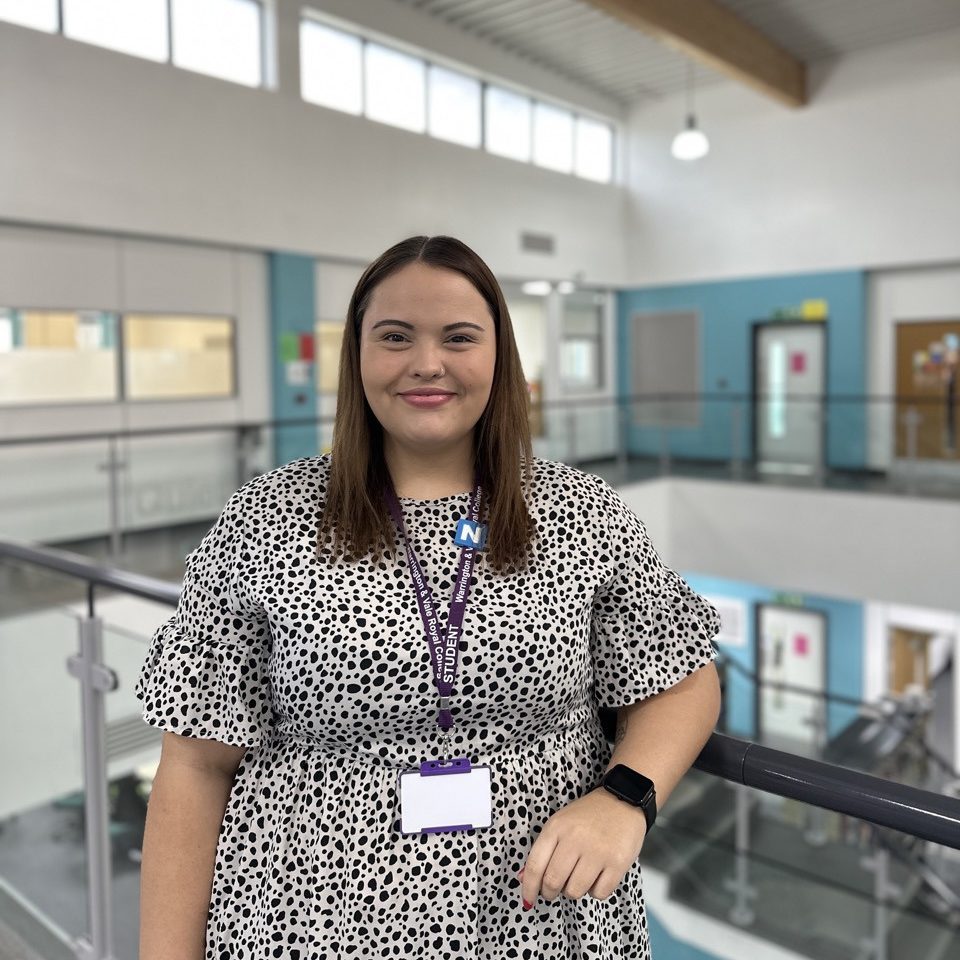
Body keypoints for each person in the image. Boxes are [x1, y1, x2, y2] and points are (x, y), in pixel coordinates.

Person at [136, 235, 722, 960]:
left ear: (498, 357)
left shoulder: (580, 513)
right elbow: (193, 767)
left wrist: (626, 798)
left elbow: (684, 677)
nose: (427, 363)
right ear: (357, 357)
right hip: (307, 923)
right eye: (395, 337)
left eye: (459, 337)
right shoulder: (266, 520)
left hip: (539, 924)